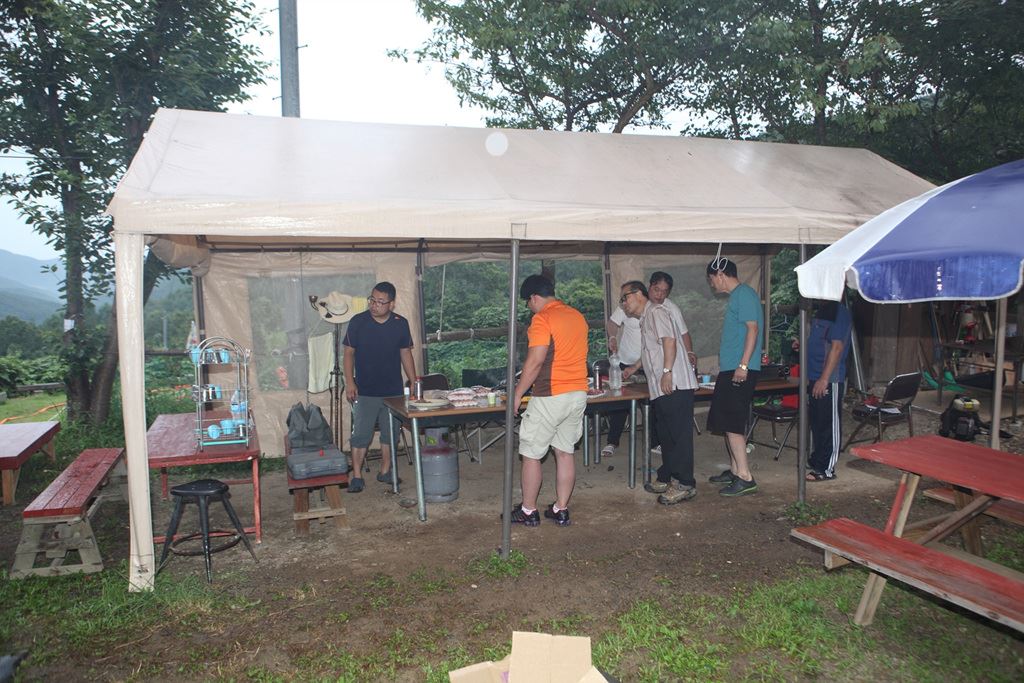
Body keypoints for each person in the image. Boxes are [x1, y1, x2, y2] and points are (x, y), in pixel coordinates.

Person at [510, 274, 589, 527]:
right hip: (578, 393)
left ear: (534, 297)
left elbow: (535, 361)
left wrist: (517, 393)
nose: (529, 307)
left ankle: (528, 510)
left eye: (528, 302)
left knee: (531, 453)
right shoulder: (576, 316)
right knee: (564, 452)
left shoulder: (542, 318)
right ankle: (560, 509)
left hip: (551, 394)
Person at [620, 282, 699, 504]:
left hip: (675, 384)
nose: (623, 303)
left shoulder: (656, 311)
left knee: (678, 436)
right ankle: (667, 475)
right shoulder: (646, 317)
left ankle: (685, 483)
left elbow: (669, 341)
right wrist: (635, 368)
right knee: (666, 435)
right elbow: (651, 350)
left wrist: (667, 372)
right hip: (662, 387)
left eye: (625, 298)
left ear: (638, 294)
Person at [342, 282, 417, 493]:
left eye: (380, 302)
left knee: (390, 434)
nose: (374, 305)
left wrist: (413, 380)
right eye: (372, 300)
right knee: (361, 435)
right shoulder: (358, 322)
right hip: (365, 390)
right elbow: (348, 353)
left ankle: (385, 471)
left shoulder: (401, 324)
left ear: (391, 304)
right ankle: (357, 476)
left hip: (393, 391)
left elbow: (405, 353)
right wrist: (350, 382)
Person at [705, 257, 763, 496]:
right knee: (726, 421)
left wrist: (743, 365)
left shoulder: (744, 294)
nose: (711, 284)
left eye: (711, 279)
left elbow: (753, 329)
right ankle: (735, 469)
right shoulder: (737, 296)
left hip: (740, 369)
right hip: (731, 368)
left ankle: (745, 477)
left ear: (720, 274)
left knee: (733, 423)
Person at [647, 271, 698, 458]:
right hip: (652, 366)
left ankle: (675, 460)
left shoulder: (670, 307)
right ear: (650, 286)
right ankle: (661, 447)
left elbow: (681, 334)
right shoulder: (643, 305)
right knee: (662, 415)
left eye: (664, 291)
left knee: (674, 422)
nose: (659, 295)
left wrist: (689, 352)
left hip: (670, 372)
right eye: (656, 289)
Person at [806, 300, 853, 481]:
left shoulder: (839, 312)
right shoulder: (822, 311)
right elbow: (821, 342)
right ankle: (818, 459)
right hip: (814, 374)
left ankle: (826, 468)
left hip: (828, 378)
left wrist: (824, 379)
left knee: (828, 423)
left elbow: (837, 347)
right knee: (817, 421)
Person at [601, 291, 643, 457]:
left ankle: (655, 442)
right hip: (625, 362)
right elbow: (612, 323)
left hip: (647, 364)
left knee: (651, 403)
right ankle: (612, 441)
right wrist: (612, 337)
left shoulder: (654, 310)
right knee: (620, 403)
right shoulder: (627, 307)